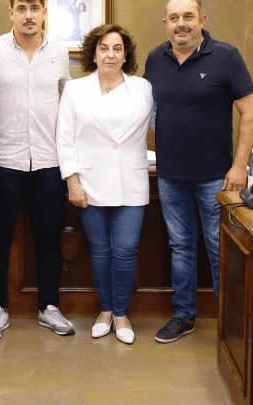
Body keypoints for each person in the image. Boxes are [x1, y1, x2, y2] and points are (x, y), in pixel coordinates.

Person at [144, 0, 253, 344]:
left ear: (202, 20)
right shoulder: (155, 59)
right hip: (170, 176)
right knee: (180, 247)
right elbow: (149, 110)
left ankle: (230, 325)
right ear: (165, 23)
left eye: (188, 16)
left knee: (219, 248)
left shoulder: (226, 56)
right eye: (174, 18)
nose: (181, 24)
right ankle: (184, 316)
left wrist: (239, 166)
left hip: (217, 178)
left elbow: (250, 112)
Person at [0, 0, 74, 339]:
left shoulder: (59, 53)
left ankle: (49, 307)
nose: (28, 15)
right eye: (21, 8)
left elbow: (68, 103)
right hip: (4, 162)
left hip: (49, 162)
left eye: (35, 8)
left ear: (45, 12)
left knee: (48, 239)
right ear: (11, 13)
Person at [57, 24, 153, 345]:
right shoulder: (75, 90)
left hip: (132, 180)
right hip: (90, 182)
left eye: (117, 48)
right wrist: (72, 182)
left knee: (125, 249)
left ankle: (122, 314)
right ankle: (106, 311)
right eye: (104, 48)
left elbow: (161, 124)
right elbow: (64, 138)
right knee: (99, 250)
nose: (110, 55)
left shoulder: (143, 88)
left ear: (126, 55)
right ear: (94, 54)